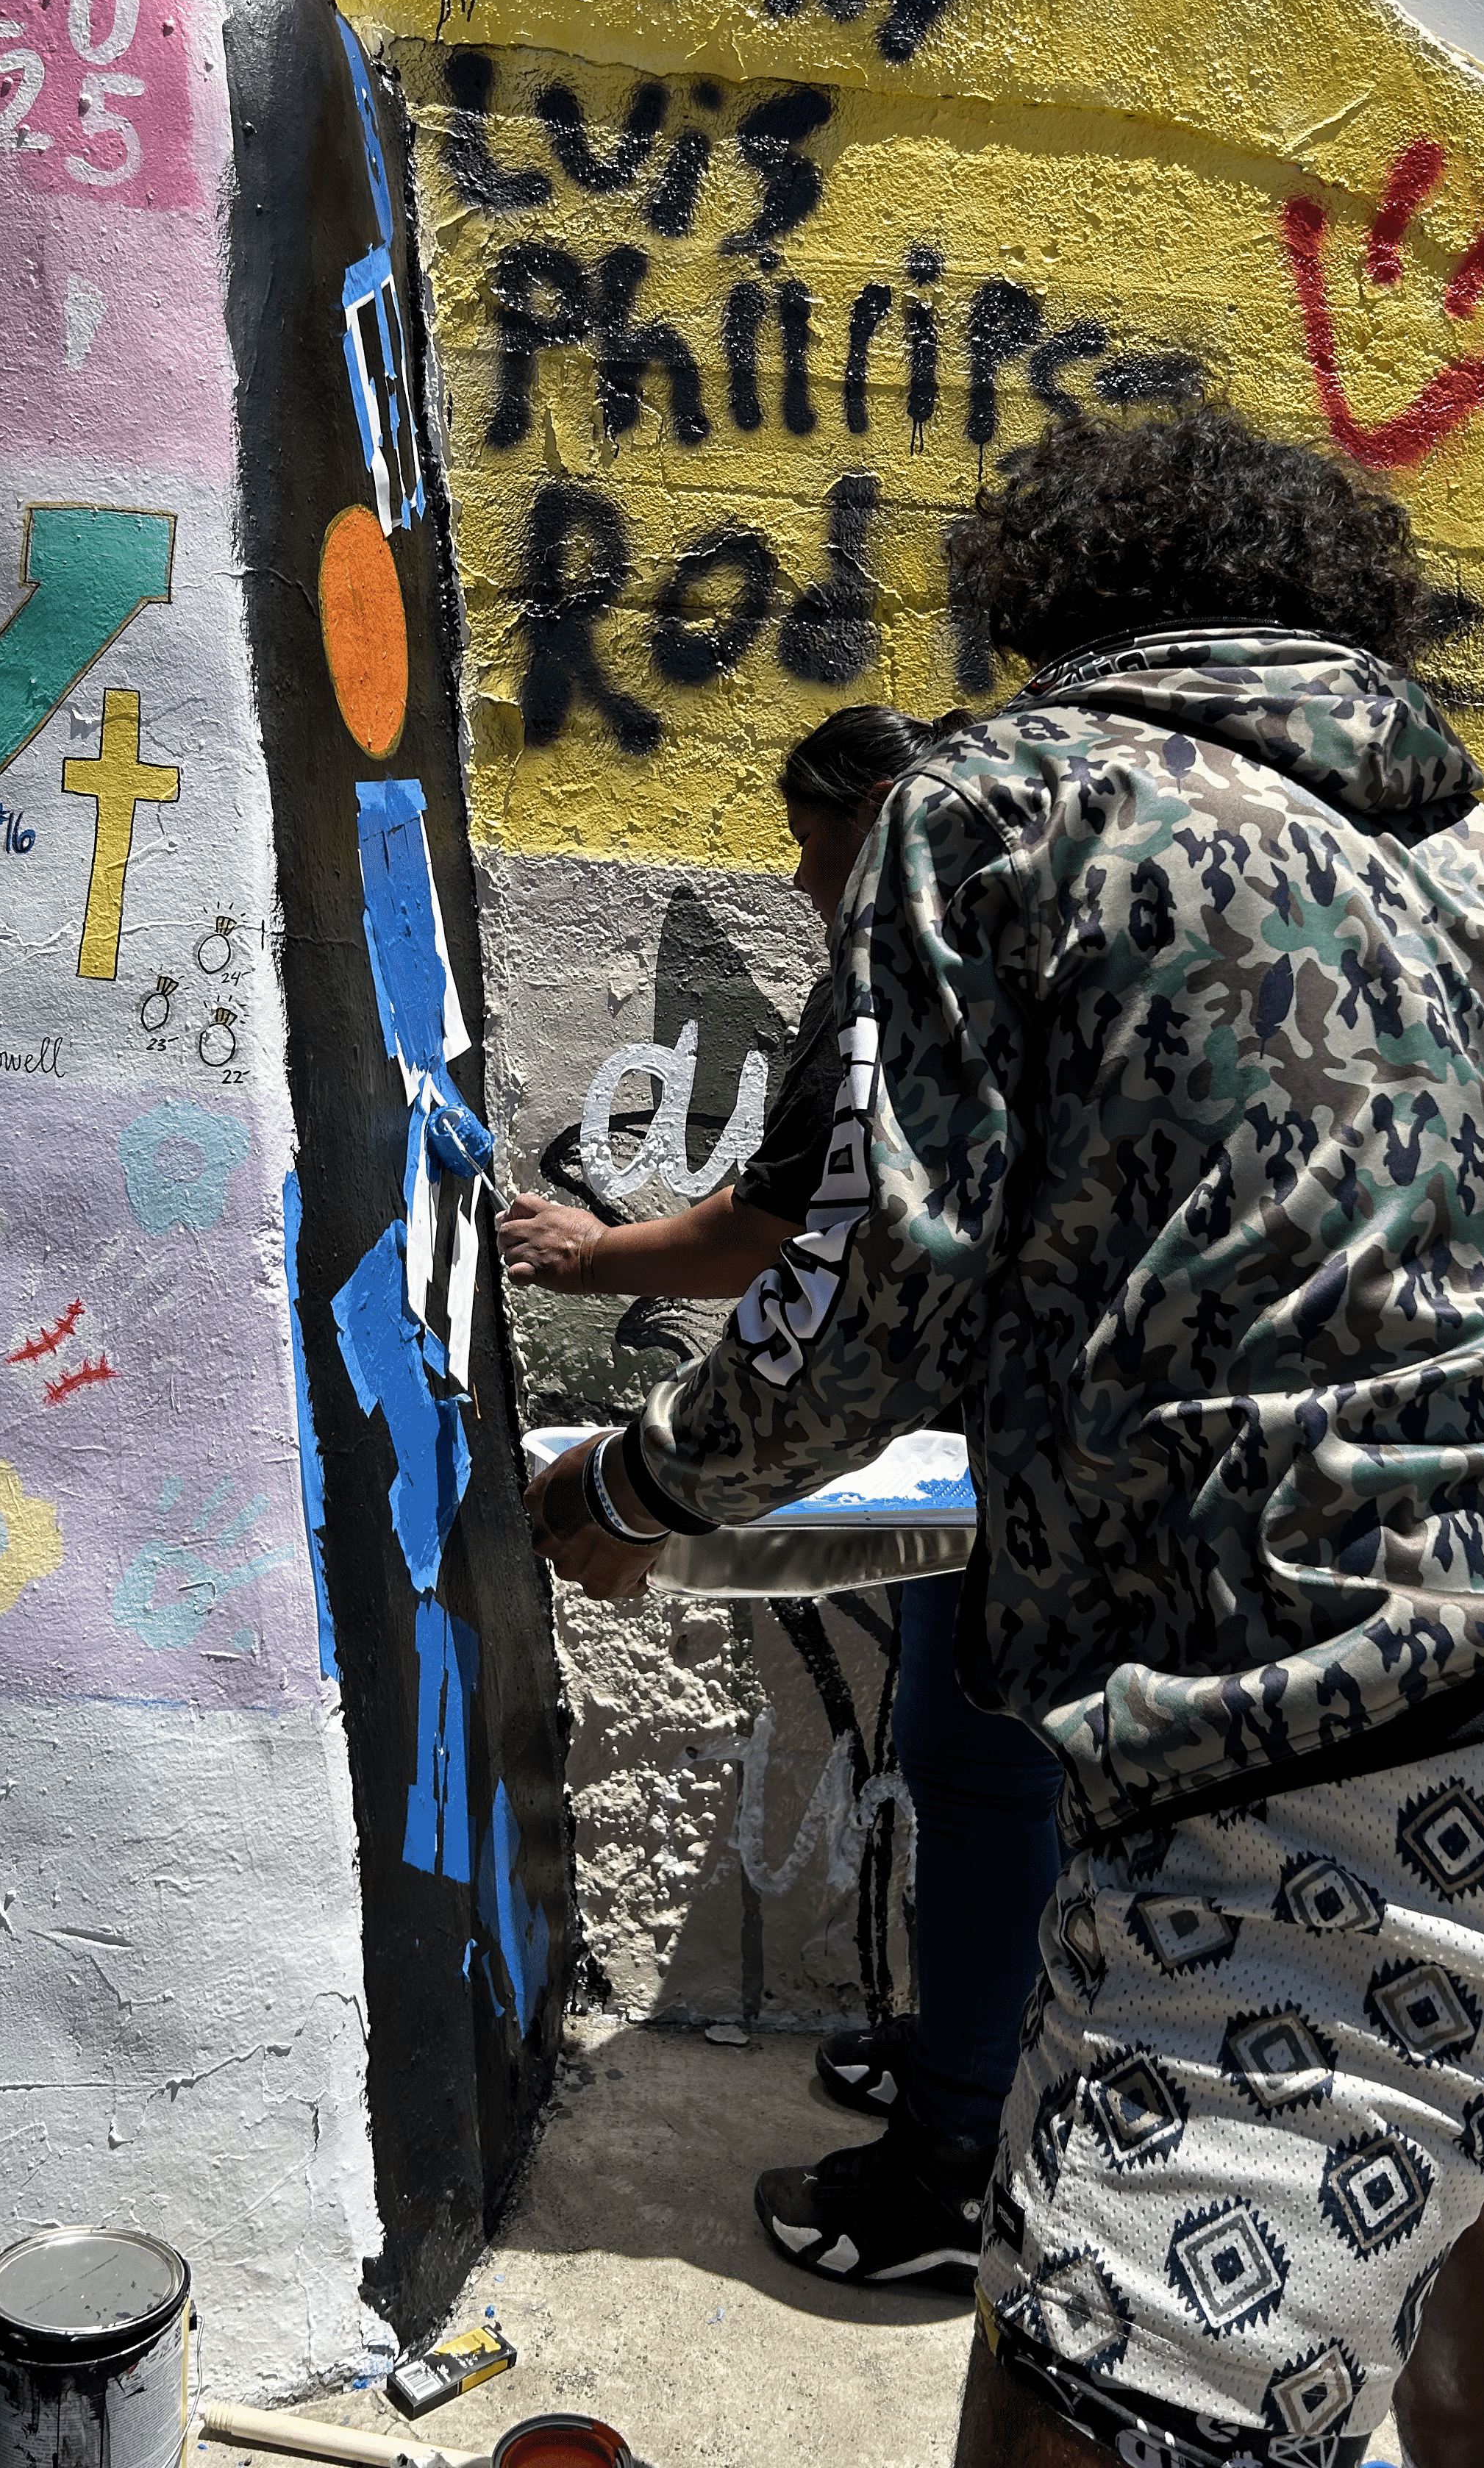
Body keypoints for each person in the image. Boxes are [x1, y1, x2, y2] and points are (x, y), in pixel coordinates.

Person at [527, 401, 1484, 2468]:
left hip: (1321, 1773)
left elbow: (868, 1288)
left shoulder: (1000, 806)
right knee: (1423, 2158)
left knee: (1065, 2379)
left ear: (1062, 596)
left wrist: (643, 1488)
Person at [499, 706, 1065, 2282]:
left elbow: (803, 1244)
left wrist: (641, 1459)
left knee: (982, 1769)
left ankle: (961, 2160)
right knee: (983, 1763)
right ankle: (978, 2052)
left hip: (1019, 1450)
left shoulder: (916, 969)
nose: (804, 880)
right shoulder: (1000, 947)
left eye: (817, 847)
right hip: (1016, 1441)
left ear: (884, 816)